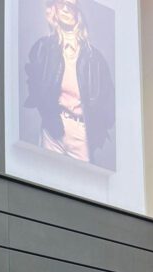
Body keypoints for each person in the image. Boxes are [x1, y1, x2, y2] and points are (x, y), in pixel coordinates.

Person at [25, 0, 115, 164]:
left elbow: (108, 102)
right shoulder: (43, 48)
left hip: (81, 132)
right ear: (54, 9)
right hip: (52, 128)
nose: (66, 9)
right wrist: (49, 116)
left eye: (71, 6)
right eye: (61, 4)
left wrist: (95, 128)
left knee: (83, 179)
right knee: (45, 175)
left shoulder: (95, 59)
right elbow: (35, 85)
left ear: (79, 13)